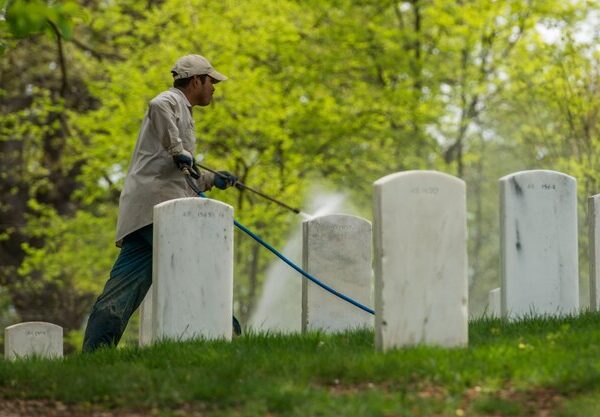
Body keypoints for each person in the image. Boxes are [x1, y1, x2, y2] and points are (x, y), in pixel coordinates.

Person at [82, 54, 238, 352]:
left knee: (123, 288)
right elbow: (158, 107)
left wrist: (210, 180)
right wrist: (178, 148)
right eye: (211, 81)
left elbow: (176, 172)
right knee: (196, 264)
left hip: (148, 212)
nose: (215, 88)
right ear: (196, 81)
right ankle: (227, 331)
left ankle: (95, 353)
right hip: (159, 212)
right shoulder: (172, 101)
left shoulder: (183, 112)